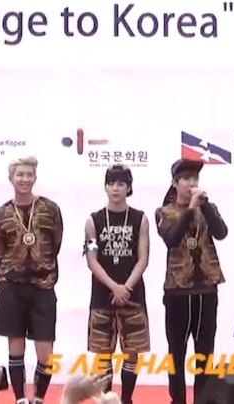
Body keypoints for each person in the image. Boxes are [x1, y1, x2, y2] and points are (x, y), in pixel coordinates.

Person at [0, 156, 63, 404]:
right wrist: (4, 282)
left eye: (29, 174)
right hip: (12, 288)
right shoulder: (0, 214)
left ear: (35, 177)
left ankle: (39, 398)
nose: (24, 179)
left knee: (46, 354)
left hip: (43, 286)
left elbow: (56, 242)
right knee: (15, 348)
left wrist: (43, 267)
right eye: (20, 174)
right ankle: (20, 399)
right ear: (11, 178)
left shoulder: (50, 209)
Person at [154, 158, 228, 404]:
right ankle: (178, 400)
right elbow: (171, 239)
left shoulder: (208, 208)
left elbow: (222, 233)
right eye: (186, 179)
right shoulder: (164, 212)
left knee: (205, 351)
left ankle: (203, 400)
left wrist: (204, 207)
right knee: (176, 352)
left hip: (207, 289)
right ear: (175, 183)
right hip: (177, 290)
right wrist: (189, 209)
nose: (191, 183)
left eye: (194, 179)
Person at [83, 165, 150, 404]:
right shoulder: (93, 220)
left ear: (128, 187)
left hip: (133, 295)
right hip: (102, 296)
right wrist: (114, 287)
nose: (115, 188)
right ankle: (106, 400)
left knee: (132, 353)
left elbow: (143, 258)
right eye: (111, 183)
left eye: (121, 184)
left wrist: (126, 288)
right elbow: (92, 260)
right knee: (103, 355)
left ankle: (127, 399)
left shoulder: (140, 219)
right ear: (105, 187)